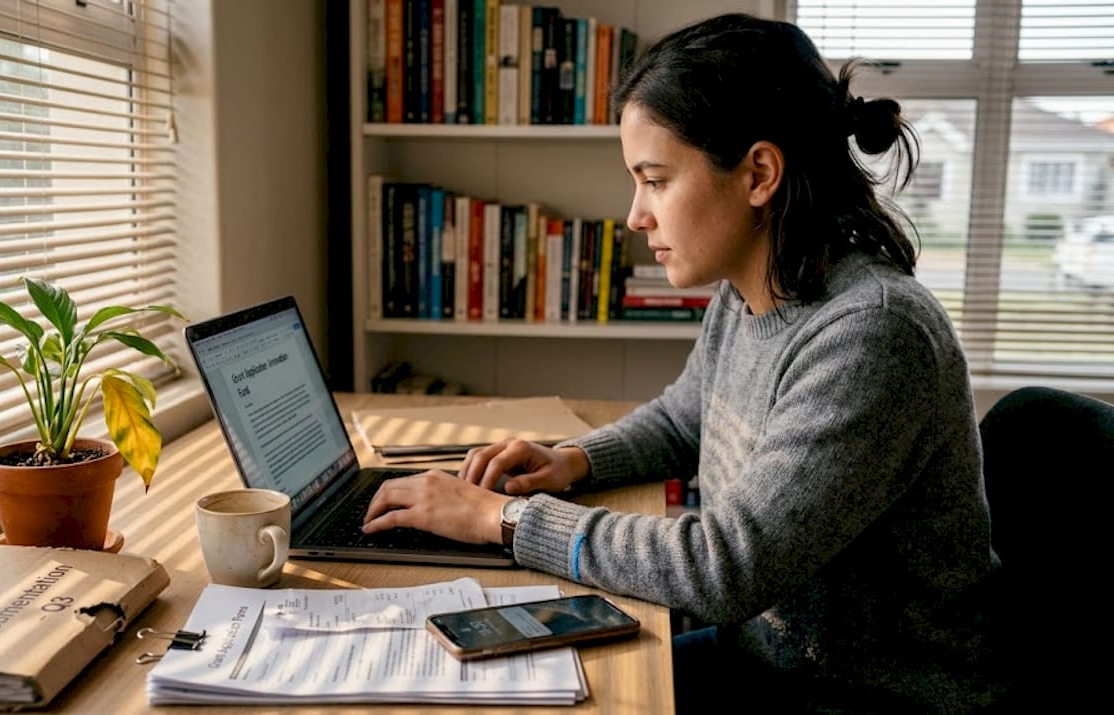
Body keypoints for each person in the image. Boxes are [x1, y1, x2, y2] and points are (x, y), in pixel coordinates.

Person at [363, 12, 1002, 713]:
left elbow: (722, 566)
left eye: (656, 179)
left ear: (759, 173)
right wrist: (572, 460)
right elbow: (683, 417)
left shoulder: (872, 335)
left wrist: (503, 521)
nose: (635, 214)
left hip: (863, 699)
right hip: (762, 662)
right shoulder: (758, 285)